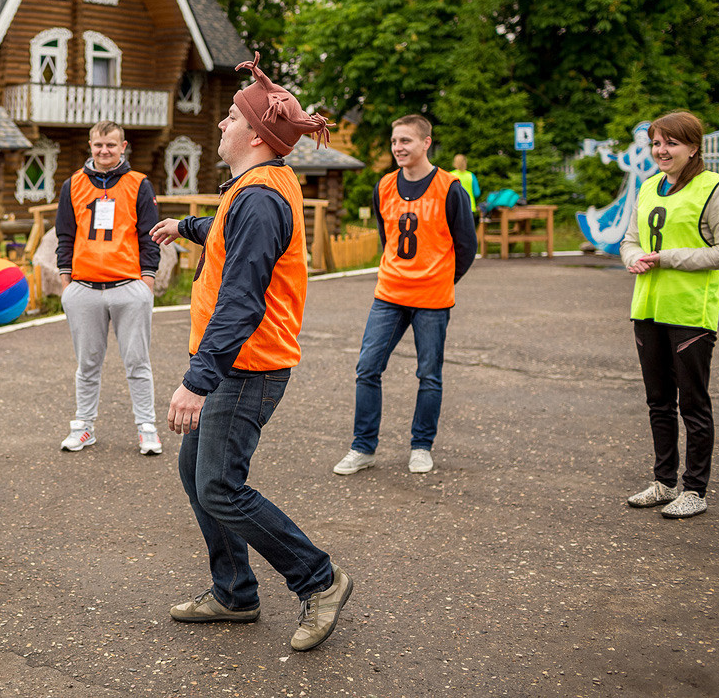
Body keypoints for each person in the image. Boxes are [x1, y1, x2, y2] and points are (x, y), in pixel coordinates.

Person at [150, 53, 350, 652]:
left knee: (218, 485)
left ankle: (320, 579)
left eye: (230, 117)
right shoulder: (254, 191)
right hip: (238, 364)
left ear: (257, 135)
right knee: (197, 473)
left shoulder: (261, 197)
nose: (220, 125)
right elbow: (233, 241)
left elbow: (241, 297)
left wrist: (197, 380)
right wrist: (186, 228)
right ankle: (235, 592)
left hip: (247, 366)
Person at [333, 114, 476, 477]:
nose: (398, 147)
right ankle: (363, 447)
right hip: (390, 293)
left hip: (433, 297)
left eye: (406, 141)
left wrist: (443, 278)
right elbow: (387, 237)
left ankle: (421, 446)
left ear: (426, 143)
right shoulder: (383, 185)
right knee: (367, 368)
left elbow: (466, 246)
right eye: (395, 141)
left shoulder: (450, 187)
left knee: (429, 374)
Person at [621, 111, 719, 519]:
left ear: (693, 147)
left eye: (671, 143)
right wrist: (633, 257)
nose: (661, 150)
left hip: (690, 312)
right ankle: (665, 483)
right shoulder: (649, 186)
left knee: (694, 405)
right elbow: (631, 240)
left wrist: (669, 258)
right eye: (656, 143)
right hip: (647, 308)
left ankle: (695, 490)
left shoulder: (715, 188)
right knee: (658, 402)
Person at [55, 120, 162, 454]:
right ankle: (84, 426)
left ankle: (147, 428)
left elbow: (150, 235)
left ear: (123, 147)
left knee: (137, 362)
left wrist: (147, 282)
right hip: (84, 288)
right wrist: (66, 284)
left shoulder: (138, 183)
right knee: (87, 365)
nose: (104, 151)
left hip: (128, 286)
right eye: (99, 145)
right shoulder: (72, 184)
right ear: (90, 146)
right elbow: (64, 235)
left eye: (111, 146)